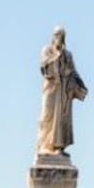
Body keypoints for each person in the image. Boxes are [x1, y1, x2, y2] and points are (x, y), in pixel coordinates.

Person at [36, 26, 87, 157]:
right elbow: (44, 67)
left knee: (61, 119)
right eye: (57, 35)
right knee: (46, 116)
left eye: (62, 36)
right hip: (51, 89)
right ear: (53, 37)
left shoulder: (68, 55)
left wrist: (80, 85)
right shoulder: (47, 50)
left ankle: (59, 146)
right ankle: (44, 146)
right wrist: (57, 57)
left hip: (63, 91)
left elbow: (73, 71)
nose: (59, 38)